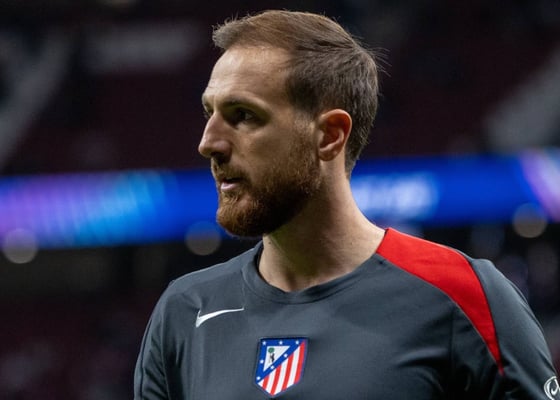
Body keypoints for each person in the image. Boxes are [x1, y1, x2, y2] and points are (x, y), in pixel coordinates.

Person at [134, 10, 559, 399]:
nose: (208, 142)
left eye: (243, 115)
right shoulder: (184, 310)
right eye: (209, 112)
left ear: (330, 135)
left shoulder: (464, 295)